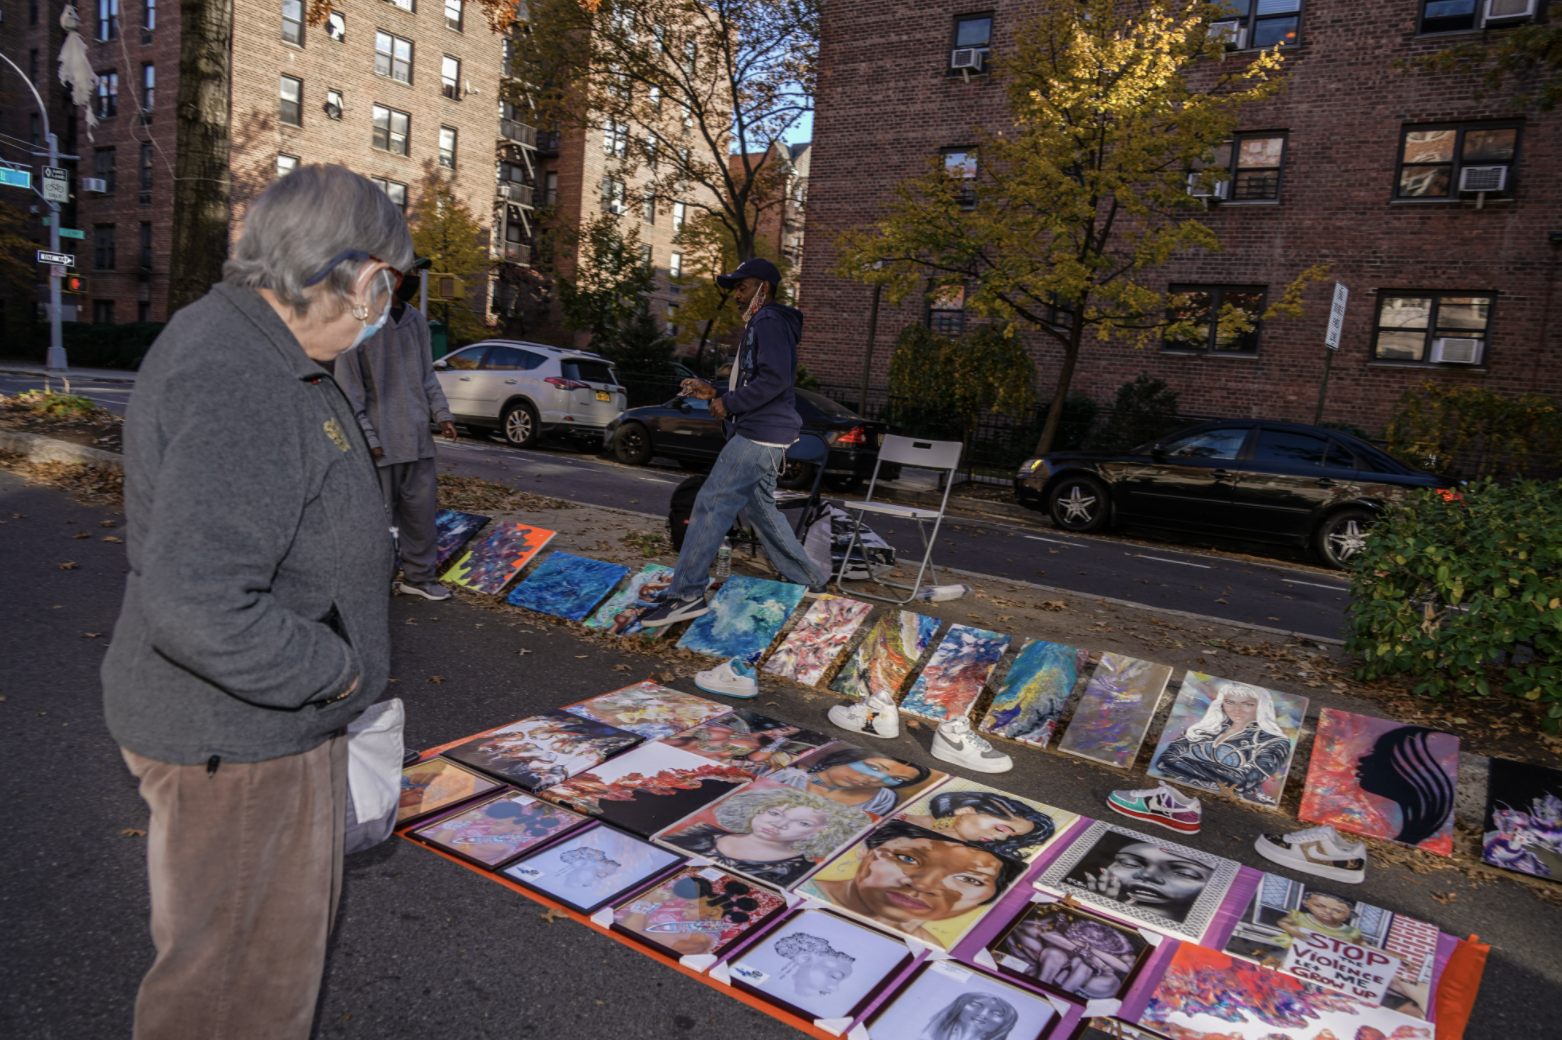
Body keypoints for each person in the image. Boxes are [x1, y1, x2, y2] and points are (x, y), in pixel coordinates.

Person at [102, 164, 407, 1040]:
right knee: (238, 994)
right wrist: (339, 673)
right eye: (389, 277)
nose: (389, 299)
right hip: (242, 747)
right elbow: (199, 602)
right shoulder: (242, 376)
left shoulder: (258, 347)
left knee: (237, 973)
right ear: (354, 272)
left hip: (255, 732)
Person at [636, 258, 826, 697]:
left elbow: (777, 380)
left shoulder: (768, 320)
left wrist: (731, 404)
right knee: (761, 511)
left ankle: (687, 593)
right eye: (735, 287)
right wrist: (715, 393)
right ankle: (808, 580)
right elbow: (762, 380)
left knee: (711, 502)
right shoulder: (764, 323)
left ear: (763, 287)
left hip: (760, 435)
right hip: (766, 434)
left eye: (742, 287)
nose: (736, 294)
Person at [335, 264, 460, 600]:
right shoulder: (357, 323)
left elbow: (426, 376)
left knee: (420, 517)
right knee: (376, 522)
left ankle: (418, 579)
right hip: (380, 440)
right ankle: (372, 581)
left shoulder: (417, 322)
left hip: (417, 437)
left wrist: (441, 413)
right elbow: (349, 390)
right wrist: (368, 437)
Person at [807, 820, 1023, 947]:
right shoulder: (801, 894)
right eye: (908, 859)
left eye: (969, 879)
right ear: (866, 851)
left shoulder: (933, 948)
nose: (923, 885)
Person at [662, 786, 869, 885]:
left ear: (823, 832)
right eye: (774, 813)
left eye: (803, 823)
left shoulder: (801, 871)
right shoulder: (699, 830)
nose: (779, 823)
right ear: (755, 810)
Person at [1152, 682, 1294, 804]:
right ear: (1221, 703)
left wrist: (1185, 763)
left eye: (1248, 704)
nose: (1236, 709)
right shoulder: (1203, 729)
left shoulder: (1275, 741)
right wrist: (1223, 772)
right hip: (1183, 792)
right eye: (1230, 702)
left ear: (1262, 707)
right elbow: (1164, 762)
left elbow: (1242, 781)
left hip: (1235, 801)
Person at [770, 746, 933, 816]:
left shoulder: (882, 798)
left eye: (896, 779)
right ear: (845, 759)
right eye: (874, 768)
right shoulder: (788, 777)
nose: (875, 779)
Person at [901, 790, 1057, 859]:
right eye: (1001, 829)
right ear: (965, 810)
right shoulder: (896, 819)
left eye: (1011, 836)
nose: (1002, 839)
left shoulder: (964, 853)